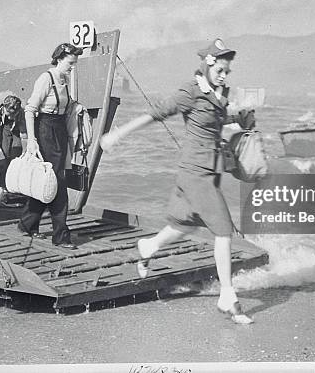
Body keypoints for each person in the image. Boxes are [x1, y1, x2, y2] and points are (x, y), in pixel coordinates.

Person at [101, 38, 255, 324]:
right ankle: (227, 295)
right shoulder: (191, 92)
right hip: (196, 174)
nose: (224, 75)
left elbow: (214, 125)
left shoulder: (218, 93)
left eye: (227, 71)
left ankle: (148, 247)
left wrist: (239, 119)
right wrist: (118, 134)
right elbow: (156, 113)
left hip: (208, 171)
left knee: (184, 225)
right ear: (207, 64)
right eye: (220, 69)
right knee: (223, 231)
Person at [17, 43, 83, 250]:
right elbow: (30, 110)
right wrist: (32, 141)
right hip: (45, 129)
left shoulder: (65, 79)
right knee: (57, 182)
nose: (72, 67)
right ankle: (61, 236)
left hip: (60, 129)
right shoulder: (46, 78)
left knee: (49, 179)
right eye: (71, 63)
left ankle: (27, 224)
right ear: (60, 58)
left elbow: (65, 106)